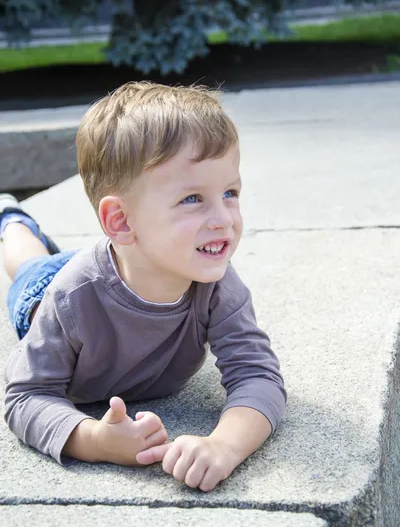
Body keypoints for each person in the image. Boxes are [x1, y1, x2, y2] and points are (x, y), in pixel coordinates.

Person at [1, 82, 286, 492]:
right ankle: (12, 220)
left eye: (230, 192)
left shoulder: (217, 284)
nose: (223, 218)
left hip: (132, 256)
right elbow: (25, 396)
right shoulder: (68, 298)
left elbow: (258, 376)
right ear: (121, 220)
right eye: (192, 199)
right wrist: (95, 441)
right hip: (46, 290)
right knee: (29, 265)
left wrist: (223, 447)